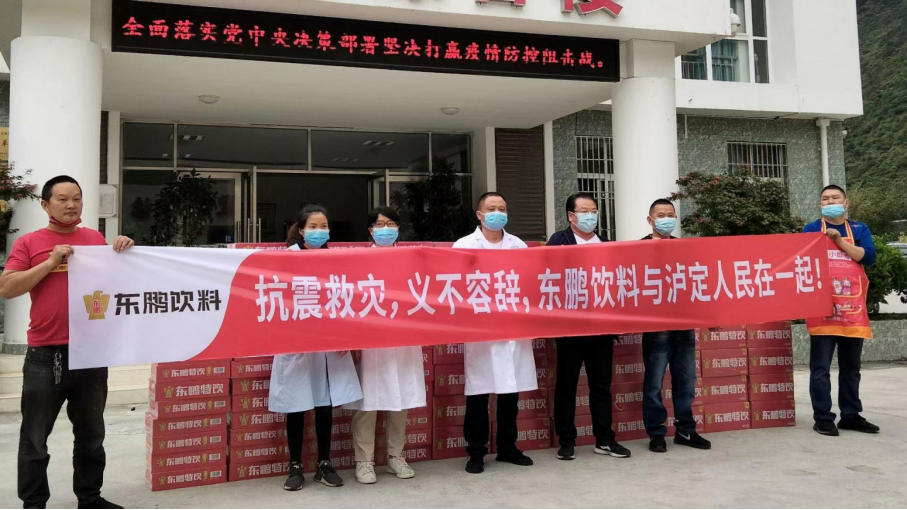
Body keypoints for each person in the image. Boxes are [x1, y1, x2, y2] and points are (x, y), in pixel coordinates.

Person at [0, 175, 133, 509]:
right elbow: (8, 288)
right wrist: (50, 262)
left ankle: (90, 498)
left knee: (91, 435)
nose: (71, 205)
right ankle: (34, 503)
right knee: (35, 438)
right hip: (46, 355)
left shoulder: (94, 239)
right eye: (62, 199)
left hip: (91, 353)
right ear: (46, 205)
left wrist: (124, 251)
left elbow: (116, 282)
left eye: (77, 198)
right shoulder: (29, 242)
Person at [268, 205, 363, 490]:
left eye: (324, 226)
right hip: (296, 344)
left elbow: (344, 300)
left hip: (327, 346)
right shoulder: (285, 259)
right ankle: (295, 466)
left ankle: (324, 463)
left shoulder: (335, 260)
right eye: (313, 226)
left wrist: (346, 336)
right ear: (301, 230)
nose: (319, 231)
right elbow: (274, 299)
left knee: (324, 405)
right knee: (296, 406)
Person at [453, 192, 537, 474]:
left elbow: (530, 284)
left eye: (502, 208)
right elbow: (454, 286)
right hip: (482, 332)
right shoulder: (464, 246)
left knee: (509, 393)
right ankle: (476, 452)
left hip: (513, 328)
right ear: (479, 214)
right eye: (491, 208)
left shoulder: (518, 245)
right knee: (478, 394)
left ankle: (507, 447)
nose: (497, 213)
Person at [546, 192, 631, 460]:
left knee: (601, 386)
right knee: (567, 385)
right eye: (584, 211)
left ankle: (605, 439)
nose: (590, 216)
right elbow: (546, 278)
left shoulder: (606, 244)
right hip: (570, 329)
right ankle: (567, 441)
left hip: (601, 329)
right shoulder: (558, 242)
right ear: (571, 216)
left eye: (593, 211)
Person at [346, 207, 426, 484]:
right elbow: (351, 300)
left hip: (404, 339)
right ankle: (364, 461)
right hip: (371, 341)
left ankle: (395, 456)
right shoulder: (358, 260)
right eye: (379, 224)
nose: (385, 229)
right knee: (368, 402)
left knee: (400, 400)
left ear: (398, 229)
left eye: (391, 224)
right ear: (370, 230)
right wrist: (354, 338)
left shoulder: (411, 258)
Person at [804, 185, 879, 436]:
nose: (830, 201)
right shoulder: (811, 229)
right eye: (825, 199)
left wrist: (838, 241)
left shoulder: (858, 229)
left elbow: (868, 257)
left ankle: (851, 415)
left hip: (851, 309)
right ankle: (823, 418)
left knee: (851, 368)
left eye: (835, 197)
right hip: (822, 309)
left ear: (846, 203)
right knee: (820, 369)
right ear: (820, 205)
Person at [639, 199, 711, 453]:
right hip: (656, 327)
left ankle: (685, 430)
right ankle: (656, 433)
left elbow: (697, 285)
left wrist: (708, 317)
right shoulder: (637, 250)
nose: (666, 219)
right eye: (661, 215)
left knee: (686, 380)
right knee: (654, 383)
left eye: (670, 215)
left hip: (683, 325)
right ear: (650, 220)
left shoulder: (684, 249)